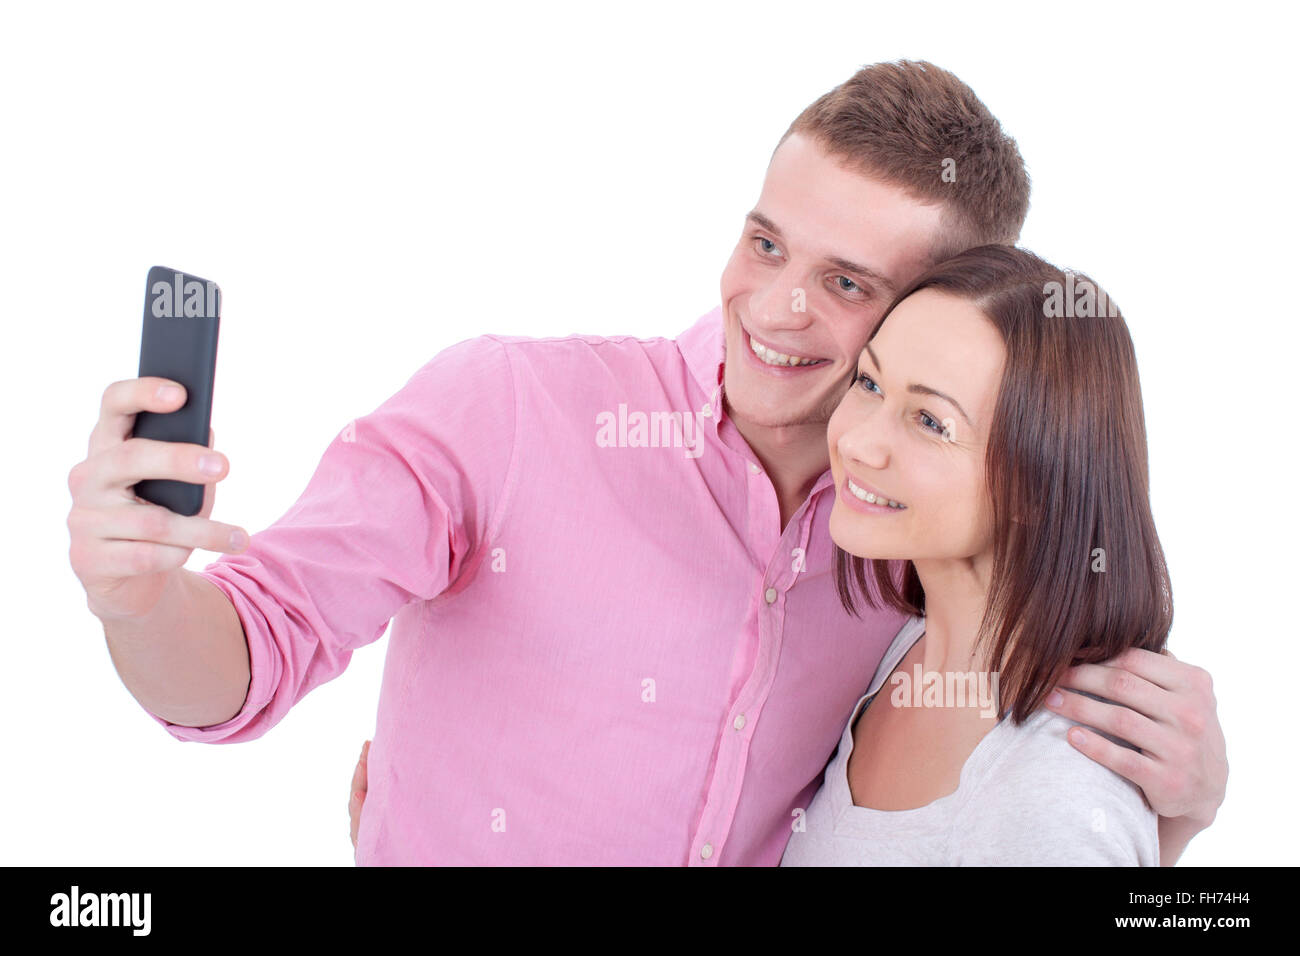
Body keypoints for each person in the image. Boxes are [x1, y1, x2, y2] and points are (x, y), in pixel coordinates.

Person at [69, 60, 1225, 866]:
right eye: (765, 240)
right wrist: (138, 600)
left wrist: (1173, 822)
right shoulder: (509, 407)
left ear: (937, 313)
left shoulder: (909, 532)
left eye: (846, 284)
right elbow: (243, 660)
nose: (773, 305)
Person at [780, 244, 1169, 865]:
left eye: (930, 422)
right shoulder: (901, 649)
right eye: (870, 383)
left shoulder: (1055, 792)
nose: (858, 442)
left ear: (1039, 485)